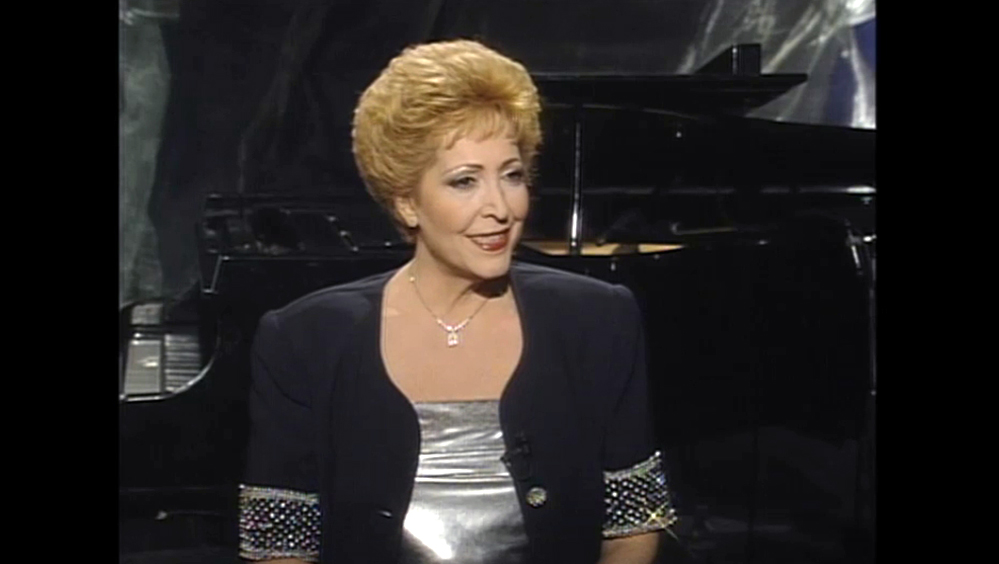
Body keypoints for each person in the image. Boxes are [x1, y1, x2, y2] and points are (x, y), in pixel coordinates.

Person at [238, 39, 677, 564]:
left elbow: (634, 522)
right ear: (407, 202)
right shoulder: (304, 338)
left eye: (512, 175)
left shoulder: (600, 319)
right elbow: (279, 545)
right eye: (465, 181)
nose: (500, 208)